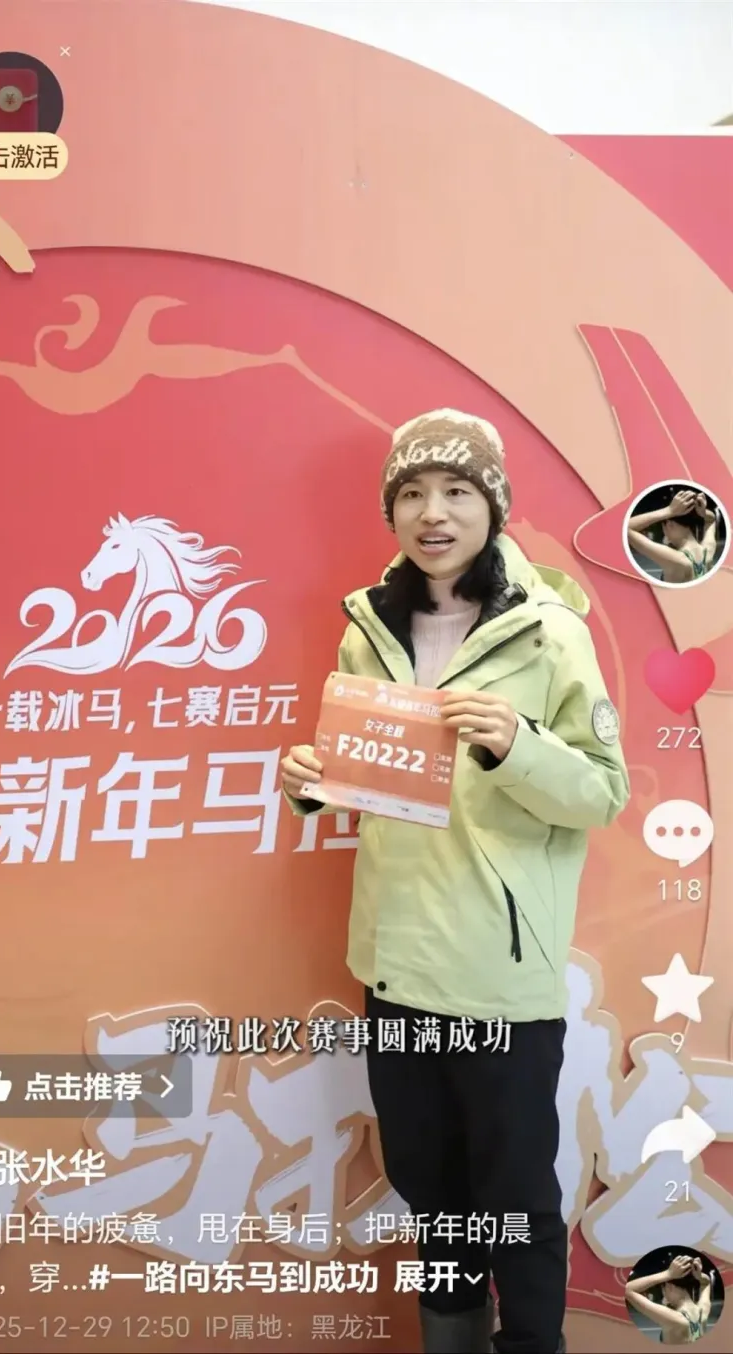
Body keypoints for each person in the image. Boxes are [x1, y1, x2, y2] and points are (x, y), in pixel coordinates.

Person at [280, 410, 630, 1354]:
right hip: (396, 965)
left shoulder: (548, 632)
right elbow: (368, 774)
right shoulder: (370, 630)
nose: (432, 513)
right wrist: (311, 779)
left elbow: (603, 792)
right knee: (431, 1193)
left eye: (456, 491)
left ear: (493, 506)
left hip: (498, 977)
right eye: (412, 493)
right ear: (392, 511)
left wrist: (519, 746)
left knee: (513, 1200)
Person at [627, 488, 718, 583]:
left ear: (669, 524)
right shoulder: (708, 551)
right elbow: (711, 520)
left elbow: (625, 527)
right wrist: (702, 512)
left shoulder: (676, 559)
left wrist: (669, 511)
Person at [625, 1254, 713, 1344]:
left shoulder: (674, 1319)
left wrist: (668, 1274)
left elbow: (627, 1289)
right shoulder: (703, 1311)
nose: (664, 1295)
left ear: (669, 1286)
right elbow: (706, 1283)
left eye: (663, 1289)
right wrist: (699, 1276)